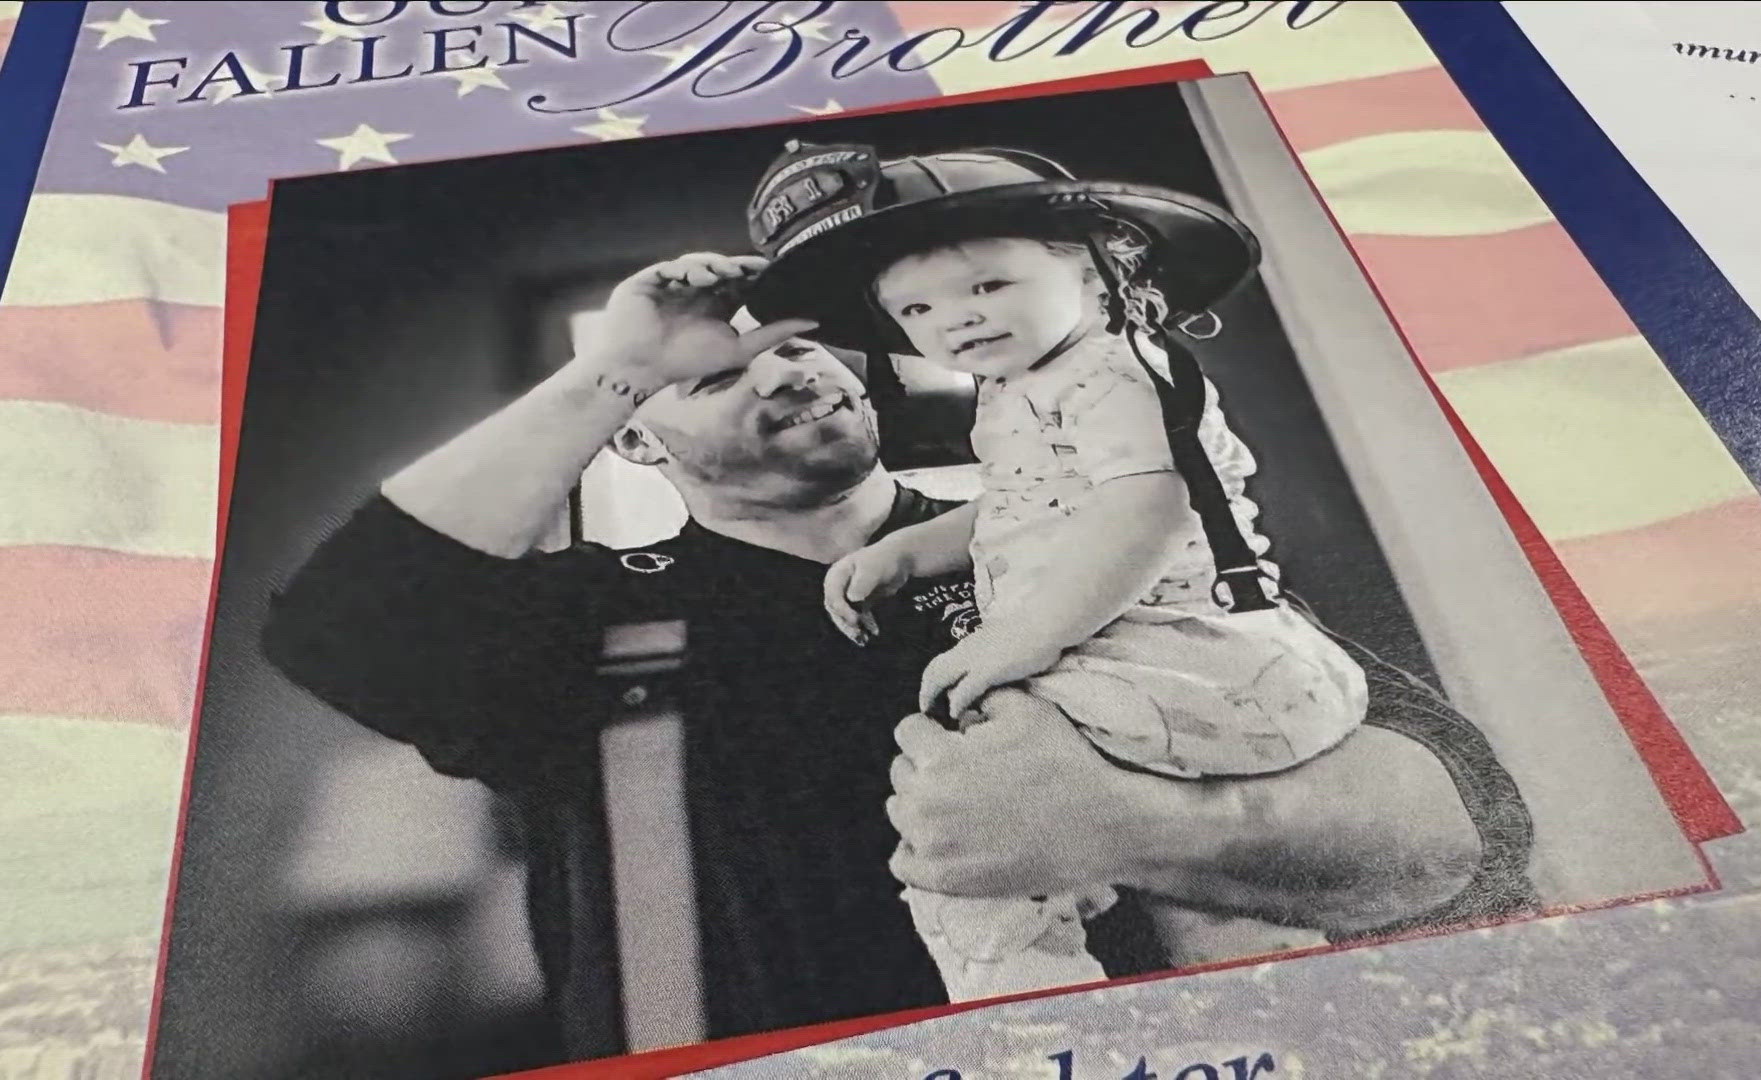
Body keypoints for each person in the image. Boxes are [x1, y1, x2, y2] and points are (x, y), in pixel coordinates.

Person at [263, 249, 1534, 1057]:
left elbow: (1464, 826)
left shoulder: (1093, 537)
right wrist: (622, 365)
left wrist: (1129, 825)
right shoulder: (587, 620)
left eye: (799, 343)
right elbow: (339, 629)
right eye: (716, 380)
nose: (791, 373)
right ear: (638, 446)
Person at [760, 142, 1369, 999]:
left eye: (987, 285)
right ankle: (1276, 997)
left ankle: (1034, 1016)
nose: (956, 320)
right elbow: (1037, 506)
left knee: (968, 818)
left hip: (1195, 652)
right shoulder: (1019, 390)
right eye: (918, 309)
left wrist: (1021, 637)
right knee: (1209, 913)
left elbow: (1147, 509)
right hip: (1162, 666)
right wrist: (910, 551)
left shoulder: (1115, 371)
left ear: (1093, 270)